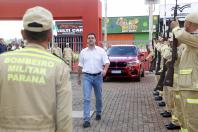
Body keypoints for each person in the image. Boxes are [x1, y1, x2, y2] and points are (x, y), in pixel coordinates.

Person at [0, 6, 72, 132]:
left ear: (23, 34)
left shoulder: (2, 62)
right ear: (50, 36)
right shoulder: (59, 67)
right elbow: (64, 116)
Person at [171, 12, 198, 132]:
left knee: (193, 122)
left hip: (194, 88)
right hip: (188, 87)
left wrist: (176, 27)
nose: (185, 27)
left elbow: (181, 35)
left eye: (186, 23)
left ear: (193, 24)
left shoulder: (195, 39)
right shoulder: (191, 42)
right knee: (187, 119)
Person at [78, 32, 110, 128]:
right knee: (86, 99)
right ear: (87, 40)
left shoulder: (101, 51)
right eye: (89, 38)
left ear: (95, 40)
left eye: (92, 38)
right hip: (86, 77)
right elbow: (80, 65)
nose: (91, 39)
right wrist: (78, 78)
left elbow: (107, 62)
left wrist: (105, 70)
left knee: (99, 97)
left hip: (98, 77)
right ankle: (86, 120)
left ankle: (98, 112)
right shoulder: (83, 52)